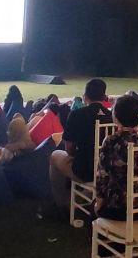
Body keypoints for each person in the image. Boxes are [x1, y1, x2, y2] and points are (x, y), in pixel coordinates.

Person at [49, 78, 113, 211]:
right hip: (106, 169)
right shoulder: (111, 116)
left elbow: (69, 148)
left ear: (85, 96)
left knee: (55, 155)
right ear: (104, 96)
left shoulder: (77, 114)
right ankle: (85, 196)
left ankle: (61, 203)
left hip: (85, 171)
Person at [94, 95, 138, 221]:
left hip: (119, 206)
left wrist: (99, 201)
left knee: (92, 213)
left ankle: (109, 238)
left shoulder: (111, 140)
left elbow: (102, 175)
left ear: (116, 117)